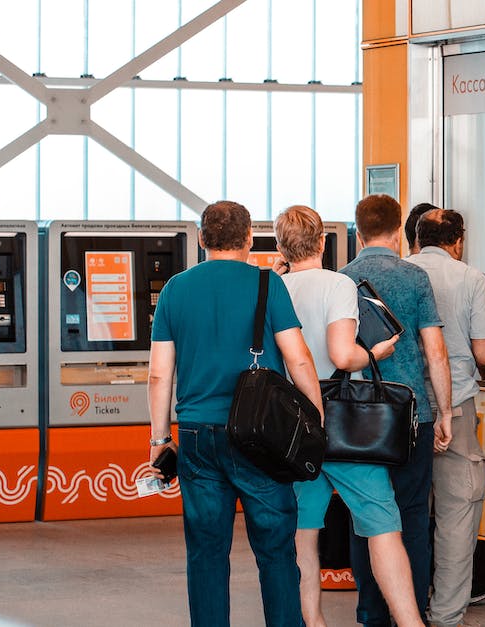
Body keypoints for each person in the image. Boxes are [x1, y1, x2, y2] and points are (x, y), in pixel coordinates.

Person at [147, 200, 322, 627]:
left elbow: (158, 374)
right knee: (276, 549)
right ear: (249, 239)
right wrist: (315, 419)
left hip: (195, 436)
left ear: (202, 239)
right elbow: (298, 359)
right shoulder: (268, 285)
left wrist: (158, 439)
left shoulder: (175, 289)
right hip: (261, 435)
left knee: (206, 552)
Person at [270, 205, 421, 627]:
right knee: (382, 525)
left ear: (281, 246)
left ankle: (313, 620)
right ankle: (411, 623)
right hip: (343, 421)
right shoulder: (339, 283)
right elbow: (341, 354)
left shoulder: (275, 288)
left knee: (303, 534)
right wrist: (374, 352)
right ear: (322, 242)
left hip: (294, 426)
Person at [340, 194, 456, 626]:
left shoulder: (342, 279)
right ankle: (412, 612)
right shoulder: (414, 278)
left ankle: (371, 611)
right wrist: (444, 412)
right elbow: (435, 351)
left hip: (357, 417)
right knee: (411, 515)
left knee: (365, 514)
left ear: (359, 231)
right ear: (396, 230)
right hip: (411, 414)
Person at [407, 208, 485, 627]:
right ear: (457, 241)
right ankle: (445, 615)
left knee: (406, 511)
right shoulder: (470, 279)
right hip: (455, 409)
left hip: (401, 409)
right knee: (457, 514)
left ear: (416, 238)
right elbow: (484, 354)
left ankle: (404, 606)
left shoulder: (400, 272)